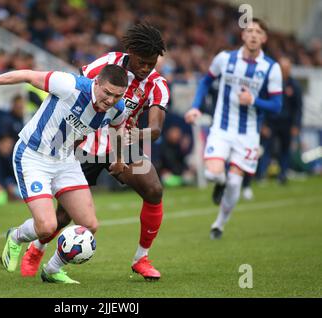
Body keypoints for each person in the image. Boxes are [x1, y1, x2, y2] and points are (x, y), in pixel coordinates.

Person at [20, 23, 170, 281]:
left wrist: (135, 135)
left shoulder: (157, 84)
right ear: (130, 52)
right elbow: (78, 91)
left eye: (152, 63)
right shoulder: (108, 63)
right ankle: (37, 248)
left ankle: (141, 258)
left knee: (154, 189)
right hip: (86, 140)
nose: (146, 68)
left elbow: (155, 130)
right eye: (142, 62)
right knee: (63, 215)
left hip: (123, 143)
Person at [0, 64, 128, 284]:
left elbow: (117, 128)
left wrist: (118, 158)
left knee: (89, 225)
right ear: (96, 82)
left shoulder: (118, 108)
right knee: (47, 226)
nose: (110, 99)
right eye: (107, 92)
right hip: (33, 156)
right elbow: (27, 75)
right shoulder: (69, 85)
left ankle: (51, 270)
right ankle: (16, 235)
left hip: (65, 161)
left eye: (117, 95)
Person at [184, 18, 283, 239]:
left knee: (236, 182)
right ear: (243, 35)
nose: (253, 35)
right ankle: (219, 182)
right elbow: (205, 81)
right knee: (212, 172)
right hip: (221, 128)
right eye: (249, 30)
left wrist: (254, 100)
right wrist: (195, 107)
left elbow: (277, 107)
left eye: (258, 31)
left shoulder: (271, 68)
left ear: (264, 38)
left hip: (248, 135)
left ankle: (218, 224)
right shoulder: (224, 59)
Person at [257, 56, 303, 184]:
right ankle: (261, 175)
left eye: (287, 68)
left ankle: (283, 175)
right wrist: (263, 124)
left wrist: (296, 125)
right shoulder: (270, 83)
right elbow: (264, 103)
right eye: (282, 68)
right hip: (271, 122)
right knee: (265, 148)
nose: (284, 70)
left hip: (287, 123)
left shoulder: (295, 86)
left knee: (285, 150)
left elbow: (298, 107)